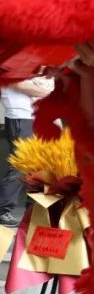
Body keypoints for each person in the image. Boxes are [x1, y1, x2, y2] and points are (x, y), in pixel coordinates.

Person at [0, 78, 53, 226]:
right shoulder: (12, 67)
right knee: (22, 165)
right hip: (21, 116)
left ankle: (32, 211)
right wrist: (51, 94)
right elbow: (19, 84)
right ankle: (2, 211)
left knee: (39, 167)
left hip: (34, 116)